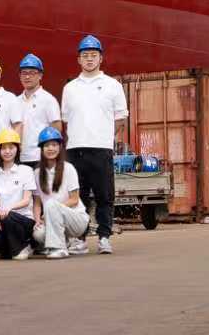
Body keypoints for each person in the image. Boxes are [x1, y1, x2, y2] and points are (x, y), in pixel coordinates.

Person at [60, 34, 128, 254]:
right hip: (76, 149)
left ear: (101, 58)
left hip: (101, 148)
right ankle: (79, 239)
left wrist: (104, 137)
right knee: (77, 196)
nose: (89, 59)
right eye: (85, 55)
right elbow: (66, 119)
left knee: (104, 195)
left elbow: (120, 118)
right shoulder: (70, 88)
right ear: (78, 59)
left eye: (93, 55)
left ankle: (104, 237)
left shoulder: (112, 85)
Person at [33, 126, 89, 259]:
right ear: (41, 149)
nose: (51, 148)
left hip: (76, 219)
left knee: (51, 204)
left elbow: (74, 199)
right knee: (38, 234)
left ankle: (60, 248)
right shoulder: (37, 173)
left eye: (54, 145)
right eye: (47, 145)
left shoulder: (68, 169)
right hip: (52, 217)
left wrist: (51, 211)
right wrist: (37, 220)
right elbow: (36, 203)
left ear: (60, 147)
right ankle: (72, 244)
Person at [0, 128, 36, 259]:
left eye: (11, 147)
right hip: (4, 220)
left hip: (24, 220)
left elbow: (27, 200)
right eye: (3, 148)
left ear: (17, 149)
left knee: (10, 217)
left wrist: (9, 209)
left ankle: (19, 250)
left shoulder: (26, 171)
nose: (7, 151)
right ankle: (19, 247)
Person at [16, 53, 61, 170]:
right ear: (20, 76)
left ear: (40, 75)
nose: (27, 77)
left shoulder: (48, 100)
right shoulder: (15, 102)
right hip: (19, 158)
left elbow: (56, 127)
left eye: (32, 73)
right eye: (24, 73)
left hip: (41, 157)